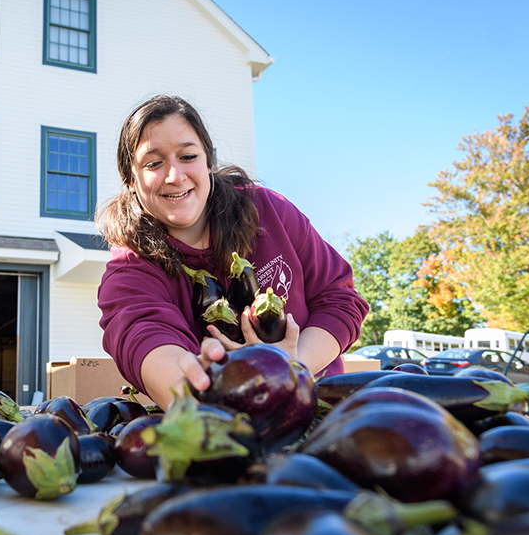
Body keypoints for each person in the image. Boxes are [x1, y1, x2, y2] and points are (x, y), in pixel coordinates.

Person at [96, 95, 369, 409]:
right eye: (153, 163)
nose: (175, 176)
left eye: (187, 156)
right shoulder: (131, 268)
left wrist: (288, 368)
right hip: (225, 428)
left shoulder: (269, 212)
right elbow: (141, 334)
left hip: (320, 413)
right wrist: (189, 391)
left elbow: (339, 298)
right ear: (131, 180)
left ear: (208, 161)